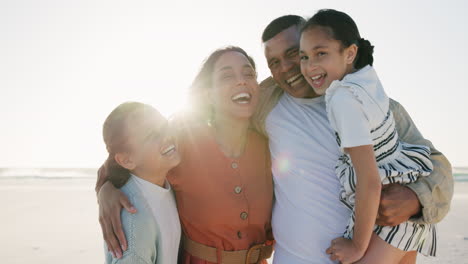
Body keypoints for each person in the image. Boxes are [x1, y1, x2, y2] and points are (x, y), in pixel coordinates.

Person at [253, 15, 453, 264]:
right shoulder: (265, 104)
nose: (284, 68)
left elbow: (437, 167)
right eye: (273, 62)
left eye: (294, 53)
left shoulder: (370, 106)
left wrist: (415, 199)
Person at [96, 46, 274, 264]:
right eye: (227, 76)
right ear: (208, 94)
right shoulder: (182, 139)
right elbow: (125, 159)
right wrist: (106, 190)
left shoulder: (270, 144)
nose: (241, 81)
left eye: (249, 74)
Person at [299, 9, 436, 263]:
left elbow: (369, 180)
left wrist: (356, 246)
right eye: (304, 57)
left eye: (321, 53)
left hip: (387, 220)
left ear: (350, 53)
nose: (310, 66)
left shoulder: (343, 98)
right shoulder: (366, 79)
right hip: (406, 209)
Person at [101, 102, 181, 263]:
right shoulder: (135, 225)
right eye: (151, 134)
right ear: (126, 160)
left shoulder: (160, 185)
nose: (166, 136)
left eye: (165, 126)